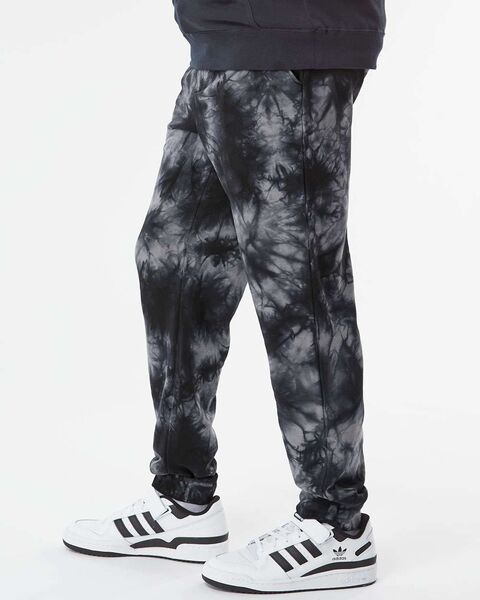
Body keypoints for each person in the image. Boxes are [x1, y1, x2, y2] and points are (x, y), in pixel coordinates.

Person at [63, 0, 386, 593]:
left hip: (291, 42)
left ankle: (336, 524)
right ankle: (184, 496)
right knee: (172, 260)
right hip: (217, 43)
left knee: (297, 284)